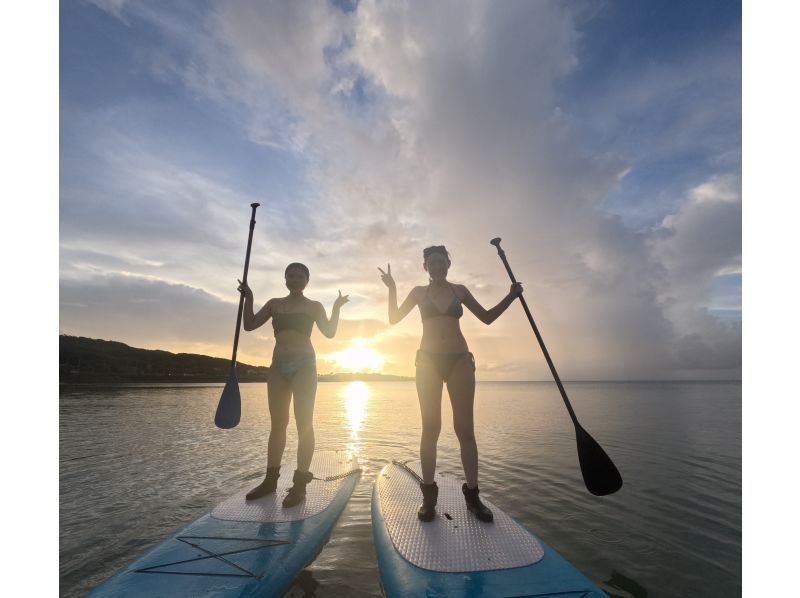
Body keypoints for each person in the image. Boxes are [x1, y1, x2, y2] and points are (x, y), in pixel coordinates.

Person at [379, 245, 522, 522]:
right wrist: (392, 287)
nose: (436, 267)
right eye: (431, 263)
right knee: (431, 428)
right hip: (428, 363)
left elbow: (488, 317)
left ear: (448, 263)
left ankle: (473, 496)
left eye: (441, 262)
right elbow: (393, 318)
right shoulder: (419, 293)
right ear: (425, 267)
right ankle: (429, 497)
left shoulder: (461, 290)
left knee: (465, 430)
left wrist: (512, 296)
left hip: (460, 361)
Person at [238, 262, 348, 507]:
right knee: (278, 424)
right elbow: (249, 324)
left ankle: (299, 486)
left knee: (304, 424)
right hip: (278, 367)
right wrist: (249, 297)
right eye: (291, 276)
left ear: (307, 280)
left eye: (300, 276)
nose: (295, 279)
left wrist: (337, 308)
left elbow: (329, 332)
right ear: (285, 279)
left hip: (305, 366)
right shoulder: (275, 304)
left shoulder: (314, 306)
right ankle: (270, 482)